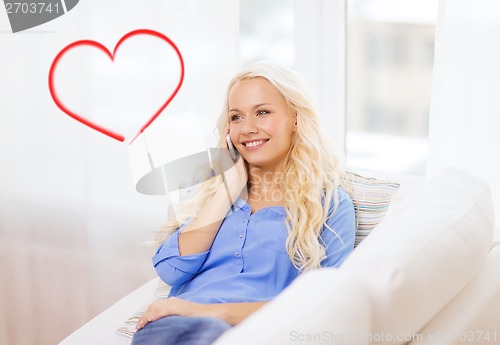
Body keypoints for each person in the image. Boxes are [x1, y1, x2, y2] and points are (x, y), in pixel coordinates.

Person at [131, 62, 356, 345]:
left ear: (296, 118)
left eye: (262, 113)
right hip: (176, 329)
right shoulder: (208, 192)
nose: (247, 128)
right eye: (236, 117)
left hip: (257, 333)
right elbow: (170, 269)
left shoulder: (329, 204)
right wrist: (228, 190)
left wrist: (209, 312)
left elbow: (325, 305)